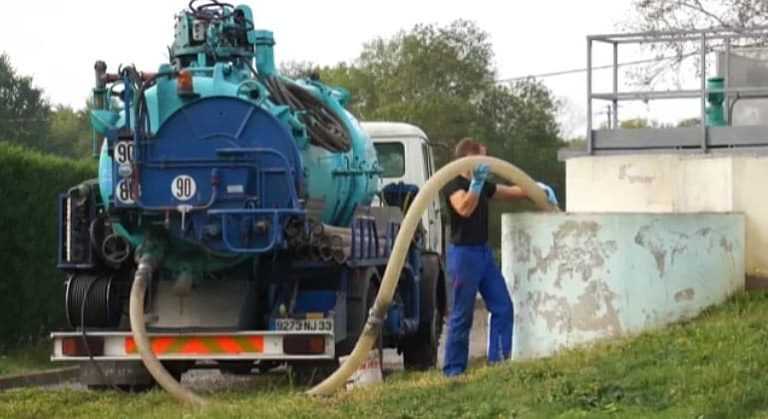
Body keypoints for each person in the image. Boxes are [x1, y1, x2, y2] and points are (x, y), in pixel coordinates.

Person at [441, 138, 558, 377]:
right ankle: (453, 371)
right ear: (470, 158)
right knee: (462, 316)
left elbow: (510, 192)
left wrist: (536, 189)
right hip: (463, 255)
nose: (489, 162)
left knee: (503, 306)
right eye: (484, 157)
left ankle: (499, 364)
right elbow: (464, 208)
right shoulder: (453, 184)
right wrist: (475, 185)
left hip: (482, 254)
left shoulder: (482, 183)